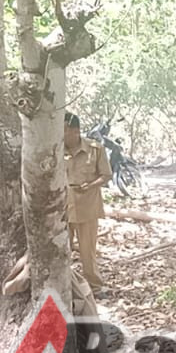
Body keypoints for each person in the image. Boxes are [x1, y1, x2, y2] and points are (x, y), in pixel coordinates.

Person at [64, 112, 110, 292]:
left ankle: (96, 287)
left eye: (65, 131)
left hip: (87, 208)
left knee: (87, 252)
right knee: (61, 252)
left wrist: (90, 185)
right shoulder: (56, 150)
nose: (61, 135)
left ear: (75, 131)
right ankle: (66, 287)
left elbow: (106, 175)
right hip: (63, 210)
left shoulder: (95, 149)